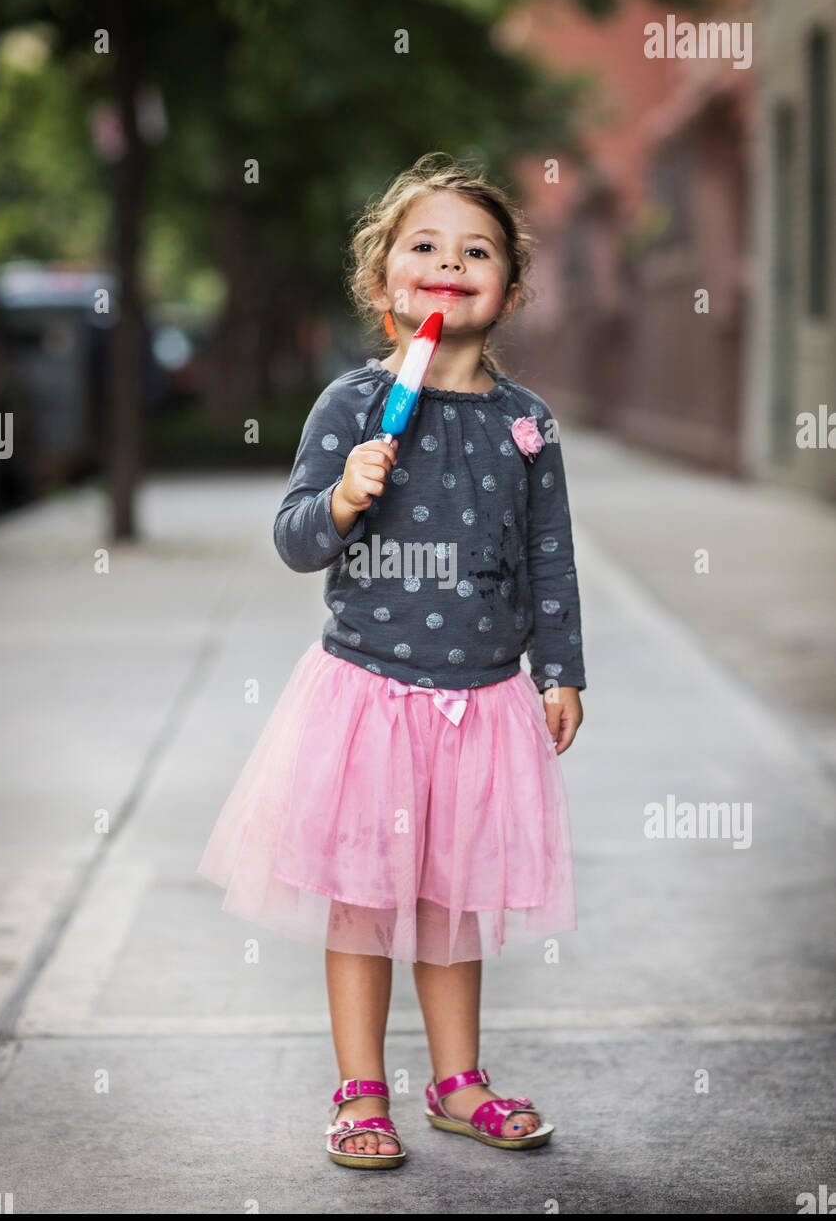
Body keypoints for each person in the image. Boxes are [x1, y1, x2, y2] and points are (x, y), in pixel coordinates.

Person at [197, 152, 586, 1169]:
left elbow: (550, 558)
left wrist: (561, 668)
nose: (448, 262)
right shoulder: (352, 406)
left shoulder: (525, 424)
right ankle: (359, 1089)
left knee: (453, 903)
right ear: (382, 283)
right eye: (424, 246)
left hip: (481, 698)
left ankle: (456, 1082)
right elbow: (292, 540)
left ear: (505, 289)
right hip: (368, 695)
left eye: (476, 250)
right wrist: (341, 496)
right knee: (365, 901)